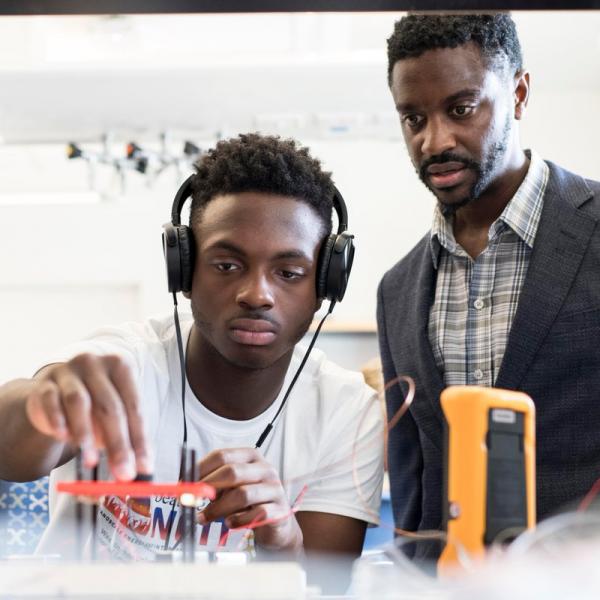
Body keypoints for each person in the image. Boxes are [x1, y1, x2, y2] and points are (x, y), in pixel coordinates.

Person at [0, 133, 383, 564]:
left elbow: (321, 588)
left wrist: (282, 538)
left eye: (290, 272)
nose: (257, 294)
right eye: (227, 265)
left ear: (325, 288)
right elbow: (10, 452)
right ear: (183, 273)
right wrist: (42, 402)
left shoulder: (346, 412)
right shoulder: (126, 363)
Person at [377, 13, 600, 537]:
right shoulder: (397, 289)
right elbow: (414, 475)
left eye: (461, 109)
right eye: (413, 119)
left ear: (518, 93)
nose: (434, 141)